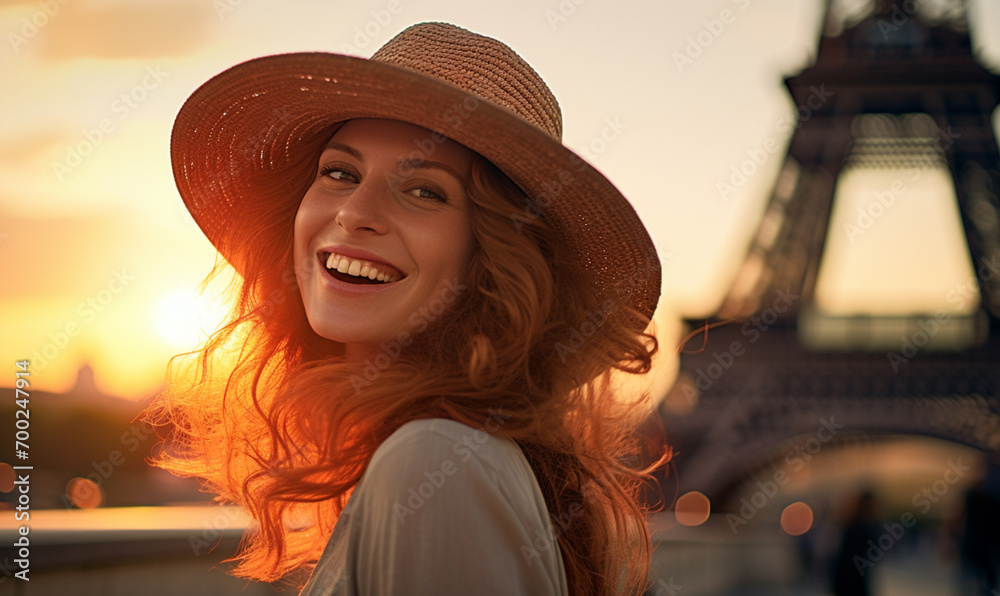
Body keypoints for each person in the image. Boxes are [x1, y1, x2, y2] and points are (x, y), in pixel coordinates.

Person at [150, 21, 665, 595]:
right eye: (340, 173)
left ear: (491, 259)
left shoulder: (433, 461)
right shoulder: (458, 454)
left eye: (425, 190)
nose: (355, 212)